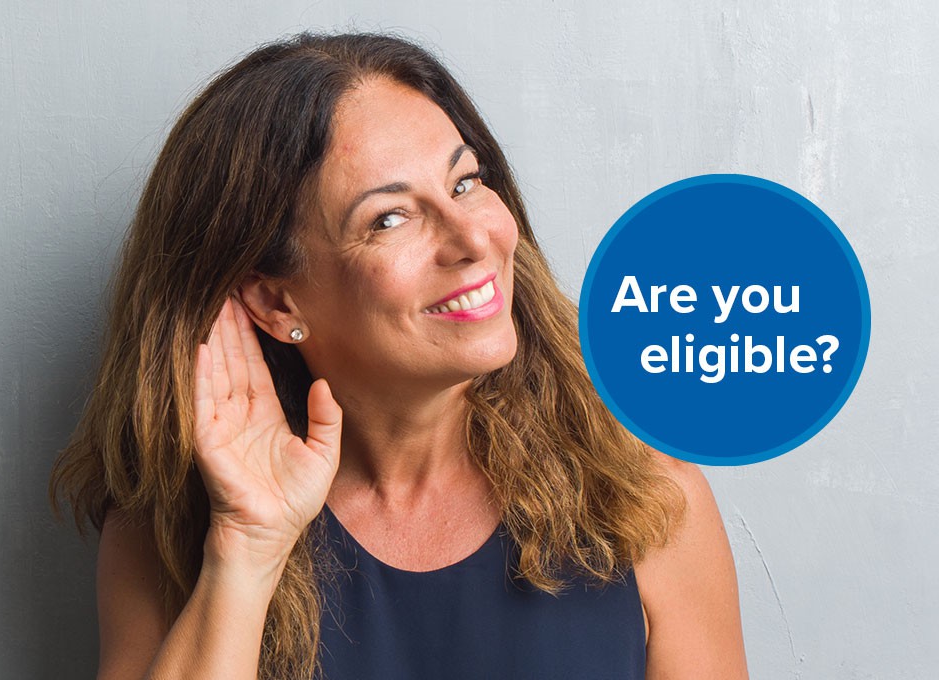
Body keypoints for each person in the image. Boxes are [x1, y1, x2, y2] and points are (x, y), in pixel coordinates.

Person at [49, 32, 748, 680]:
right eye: (389, 218)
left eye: (465, 182)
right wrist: (245, 549)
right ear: (276, 303)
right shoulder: (167, 530)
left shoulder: (646, 494)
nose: (472, 239)